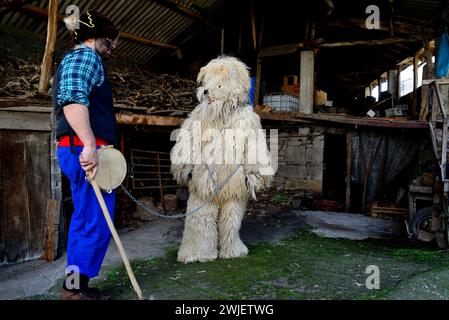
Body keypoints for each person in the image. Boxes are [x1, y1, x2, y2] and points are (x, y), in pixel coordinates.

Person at [53, 11, 119, 300]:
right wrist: (90, 145)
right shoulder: (85, 57)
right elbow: (72, 98)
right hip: (83, 149)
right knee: (95, 220)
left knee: (84, 218)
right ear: (94, 36)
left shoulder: (80, 57)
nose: (113, 46)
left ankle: (75, 287)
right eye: (110, 40)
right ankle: (74, 292)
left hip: (77, 147)